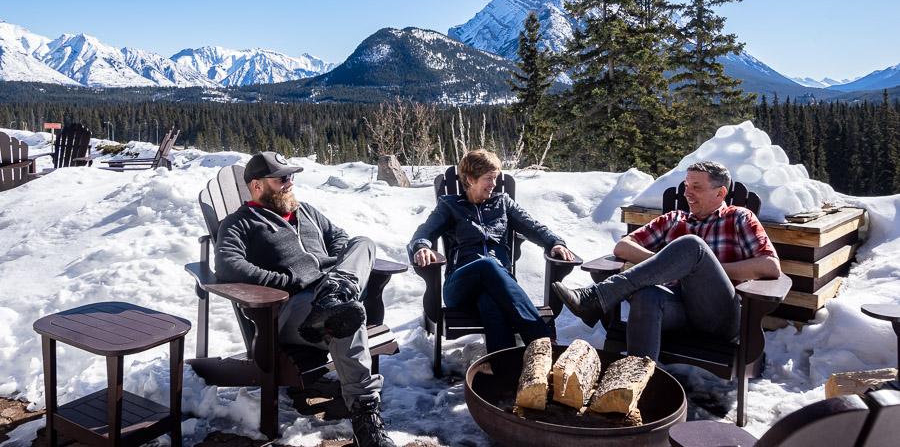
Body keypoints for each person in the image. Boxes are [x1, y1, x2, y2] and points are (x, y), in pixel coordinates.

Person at [215, 151, 395, 447]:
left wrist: (335, 272)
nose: (289, 183)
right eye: (282, 178)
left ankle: (336, 292)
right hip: (288, 308)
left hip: (327, 296)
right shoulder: (240, 223)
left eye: (291, 177)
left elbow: (339, 237)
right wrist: (287, 281)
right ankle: (366, 419)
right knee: (343, 314)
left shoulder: (306, 211)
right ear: (257, 186)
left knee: (363, 244)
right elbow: (228, 264)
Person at [553, 160, 781, 360]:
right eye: (686, 186)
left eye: (697, 187)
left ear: (720, 193)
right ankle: (634, 384)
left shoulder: (739, 217)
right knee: (647, 294)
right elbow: (622, 246)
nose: (687, 193)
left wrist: (702, 266)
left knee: (692, 246)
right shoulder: (674, 219)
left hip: (718, 316)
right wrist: (668, 264)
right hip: (675, 311)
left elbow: (770, 265)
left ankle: (598, 297)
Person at [409, 149, 576, 354]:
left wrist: (555, 242)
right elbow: (423, 233)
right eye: (488, 179)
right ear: (470, 179)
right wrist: (422, 247)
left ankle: (504, 370)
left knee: (491, 302)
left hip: (498, 285)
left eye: (496, 178)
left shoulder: (502, 203)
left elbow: (533, 227)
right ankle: (541, 339)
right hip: (460, 285)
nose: (494, 184)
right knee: (488, 265)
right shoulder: (450, 206)